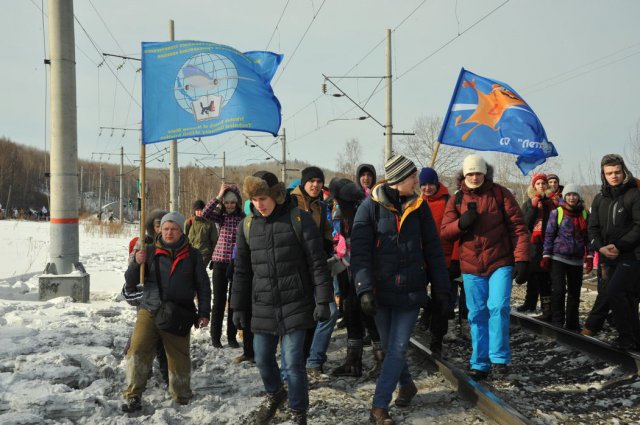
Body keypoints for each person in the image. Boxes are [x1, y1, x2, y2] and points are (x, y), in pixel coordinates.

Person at [351, 155, 450, 424]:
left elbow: (433, 250)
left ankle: (378, 407)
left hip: (410, 291)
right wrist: (364, 289)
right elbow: (359, 254)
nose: (417, 182)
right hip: (380, 293)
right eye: (413, 177)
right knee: (390, 346)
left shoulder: (420, 208)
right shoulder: (368, 207)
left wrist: (441, 288)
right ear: (398, 181)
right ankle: (407, 385)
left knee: (395, 349)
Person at [231, 171, 333, 425]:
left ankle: (298, 411)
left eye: (263, 198)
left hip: (296, 302)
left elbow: (317, 263)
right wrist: (238, 306)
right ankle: (275, 394)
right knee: (263, 358)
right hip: (263, 304)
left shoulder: (299, 219)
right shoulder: (247, 225)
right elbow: (242, 271)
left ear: (276, 194)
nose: (259, 205)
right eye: (254, 200)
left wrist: (322, 300)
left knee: (292, 364)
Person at [441, 154, 530, 380]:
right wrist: (461, 223)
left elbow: (518, 228)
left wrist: (522, 259)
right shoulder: (456, 199)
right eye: (470, 173)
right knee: (477, 313)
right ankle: (480, 362)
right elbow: (445, 232)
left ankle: (499, 358)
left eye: (478, 173)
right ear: (464, 174)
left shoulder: (501, 194)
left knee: (498, 307)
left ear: (484, 173)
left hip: (500, 261)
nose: (474, 177)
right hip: (471, 266)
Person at [121, 212, 211, 412]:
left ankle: (181, 396)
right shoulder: (148, 250)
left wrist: (204, 312)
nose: (169, 232)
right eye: (166, 228)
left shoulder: (193, 255)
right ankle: (132, 395)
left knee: (178, 357)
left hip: (178, 313)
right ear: (160, 229)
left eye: (174, 229)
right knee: (137, 351)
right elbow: (130, 281)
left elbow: (203, 286)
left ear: (181, 231)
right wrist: (136, 262)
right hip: (150, 310)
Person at [582, 154, 640, 350]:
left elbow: (639, 226)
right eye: (609, 173)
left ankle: (626, 338)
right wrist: (600, 247)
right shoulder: (599, 198)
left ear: (623, 171)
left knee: (615, 292)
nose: (613, 176)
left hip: (631, 255)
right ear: (603, 175)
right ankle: (634, 338)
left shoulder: (634, 194)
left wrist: (620, 246)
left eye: (617, 172)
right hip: (607, 256)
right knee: (625, 296)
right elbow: (592, 227)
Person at [328, 178, 383, 379]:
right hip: (353, 269)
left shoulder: (363, 211)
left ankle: (381, 358)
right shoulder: (346, 213)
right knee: (351, 311)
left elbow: (364, 247)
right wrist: (337, 262)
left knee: (369, 314)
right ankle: (353, 362)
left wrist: (341, 262)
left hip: (368, 271)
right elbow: (348, 246)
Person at [290, 166, 337, 376]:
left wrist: (330, 243)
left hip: (316, 266)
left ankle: (313, 360)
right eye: (312, 181)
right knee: (300, 318)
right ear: (304, 182)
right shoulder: (289, 202)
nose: (316, 185)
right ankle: (297, 365)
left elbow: (325, 227)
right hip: (294, 267)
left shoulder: (320, 205)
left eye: (319, 182)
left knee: (329, 312)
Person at [123, 208, 169, 384]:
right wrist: (137, 259)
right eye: (158, 225)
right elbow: (131, 270)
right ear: (152, 226)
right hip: (145, 296)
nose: (161, 229)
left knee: (163, 338)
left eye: (163, 224)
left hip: (165, 297)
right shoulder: (143, 243)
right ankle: (144, 370)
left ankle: (166, 373)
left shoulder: (171, 242)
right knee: (144, 337)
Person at [418, 167, 460, 354]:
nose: (427, 188)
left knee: (442, 300)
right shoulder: (417, 202)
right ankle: (427, 309)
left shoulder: (448, 202)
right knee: (418, 294)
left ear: (436, 184)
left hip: (443, 258)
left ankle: (437, 339)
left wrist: (455, 259)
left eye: (430, 184)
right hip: (421, 259)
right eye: (423, 184)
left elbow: (457, 232)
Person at [541, 184, 594, 330]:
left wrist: (589, 255)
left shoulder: (584, 214)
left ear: (579, 197)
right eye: (569, 194)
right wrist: (546, 255)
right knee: (558, 290)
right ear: (565, 196)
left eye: (575, 194)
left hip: (576, 260)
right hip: (558, 257)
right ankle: (558, 321)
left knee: (574, 293)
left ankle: (572, 323)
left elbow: (589, 237)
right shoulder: (557, 212)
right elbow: (549, 235)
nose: (572, 197)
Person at [202, 183, 245, 348]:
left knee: (233, 301)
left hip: (236, 263)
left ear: (237, 203)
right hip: (219, 261)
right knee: (218, 301)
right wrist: (219, 196)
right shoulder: (220, 217)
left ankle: (232, 337)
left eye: (232, 202)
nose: (229, 205)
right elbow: (205, 213)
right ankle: (215, 337)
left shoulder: (242, 218)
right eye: (226, 202)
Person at [517, 173, 555, 317]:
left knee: (544, 278)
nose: (541, 186)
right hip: (533, 244)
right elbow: (525, 223)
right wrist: (533, 207)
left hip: (548, 244)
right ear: (534, 186)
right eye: (538, 184)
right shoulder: (528, 203)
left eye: (543, 183)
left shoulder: (552, 202)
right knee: (532, 275)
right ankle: (530, 303)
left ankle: (547, 308)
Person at [185, 199, 218, 265]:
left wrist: (214, 257)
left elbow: (214, 241)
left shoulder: (210, 223)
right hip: (191, 253)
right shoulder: (189, 221)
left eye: (201, 210)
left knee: (199, 271)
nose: (199, 212)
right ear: (194, 211)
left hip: (205, 254)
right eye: (197, 210)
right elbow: (184, 238)